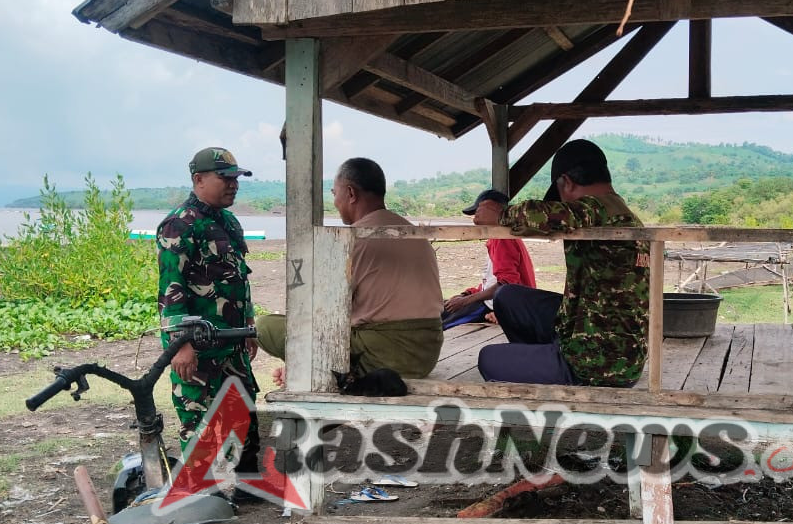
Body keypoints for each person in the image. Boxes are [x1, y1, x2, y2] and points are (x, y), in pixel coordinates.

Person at [472, 139, 649, 387]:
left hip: (597, 363)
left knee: (488, 359)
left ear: (567, 182)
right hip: (594, 334)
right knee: (507, 296)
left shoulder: (597, 210)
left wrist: (501, 215)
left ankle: (557, 372)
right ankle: (542, 361)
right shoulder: (619, 212)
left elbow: (549, 215)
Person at [258, 157, 444, 380]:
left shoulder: (352, 239)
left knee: (266, 326)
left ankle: (311, 369)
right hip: (427, 352)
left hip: (385, 356)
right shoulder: (411, 231)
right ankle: (307, 367)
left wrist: (301, 357)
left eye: (335, 193)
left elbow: (323, 312)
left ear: (351, 194)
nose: (335, 202)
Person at [156, 147, 261, 472]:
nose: (233, 185)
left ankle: (243, 486)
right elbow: (170, 289)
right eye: (225, 178)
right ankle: (203, 495)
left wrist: (249, 323)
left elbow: (238, 278)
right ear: (198, 179)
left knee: (243, 412)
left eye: (236, 178)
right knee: (200, 419)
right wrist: (181, 344)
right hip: (199, 347)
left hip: (233, 340)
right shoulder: (178, 226)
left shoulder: (228, 222)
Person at [442, 189, 538, 329]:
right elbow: (490, 283)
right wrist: (466, 294)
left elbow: (506, 284)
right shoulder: (500, 237)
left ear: (490, 208)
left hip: (496, 306)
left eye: (477, 211)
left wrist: (464, 302)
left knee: (442, 326)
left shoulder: (502, 238)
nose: (475, 219)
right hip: (496, 303)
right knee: (440, 312)